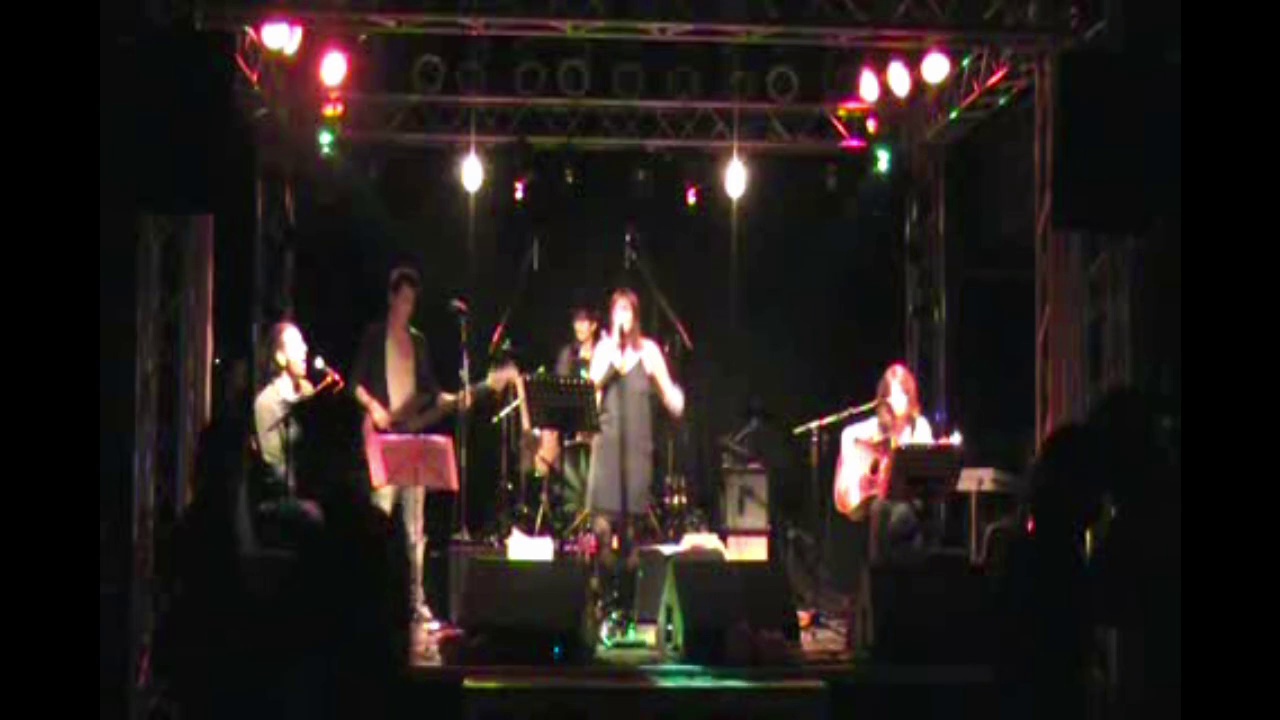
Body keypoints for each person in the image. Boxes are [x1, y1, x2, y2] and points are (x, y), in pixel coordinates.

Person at [351, 267, 460, 626]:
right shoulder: (374, 336)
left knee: (416, 529)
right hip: (383, 441)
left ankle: (416, 600)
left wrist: (448, 399)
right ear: (391, 298)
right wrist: (374, 408)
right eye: (403, 300)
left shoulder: (419, 342)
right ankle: (372, 598)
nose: (407, 308)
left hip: (411, 441)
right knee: (379, 519)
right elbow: (355, 383)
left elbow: (429, 388)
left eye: (412, 302)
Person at [586, 289, 685, 622]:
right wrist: (613, 358)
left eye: (628, 310)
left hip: (637, 452)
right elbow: (591, 389)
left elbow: (669, 396)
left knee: (631, 536)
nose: (623, 317)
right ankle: (604, 602)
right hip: (607, 448)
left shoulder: (649, 351)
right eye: (618, 311)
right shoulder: (603, 350)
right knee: (602, 530)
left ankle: (627, 608)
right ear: (611, 316)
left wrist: (675, 398)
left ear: (636, 316)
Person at [834, 363, 934, 562]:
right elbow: (848, 436)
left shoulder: (920, 427)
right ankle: (878, 572)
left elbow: (926, 469)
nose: (898, 401)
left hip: (909, 501)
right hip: (874, 501)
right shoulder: (872, 428)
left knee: (894, 513)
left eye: (903, 394)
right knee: (880, 507)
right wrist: (856, 476)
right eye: (892, 395)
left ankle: (885, 571)